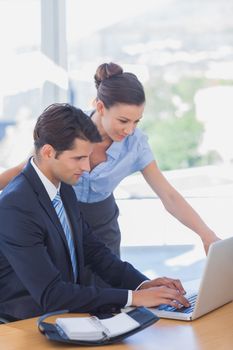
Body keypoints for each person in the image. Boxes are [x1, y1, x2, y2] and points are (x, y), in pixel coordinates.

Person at [0, 62, 220, 286]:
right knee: (60, 292)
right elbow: (25, 170)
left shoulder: (136, 145)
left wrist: (206, 234)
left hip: (101, 224)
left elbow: (168, 195)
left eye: (136, 121)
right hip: (60, 217)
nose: (129, 129)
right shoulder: (69, 128)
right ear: (101, 107)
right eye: (123, 121)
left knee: (109, 293)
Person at [0, 103, 190, 320]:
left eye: (87, 157)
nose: (87, 168)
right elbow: (51, 294)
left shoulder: (64, 190)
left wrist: (143, 284)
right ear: (48, 152)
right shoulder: (16, 206)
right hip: (25, 326)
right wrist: (133, 298)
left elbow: (95, 252)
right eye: (78, 158)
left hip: (66, 318)